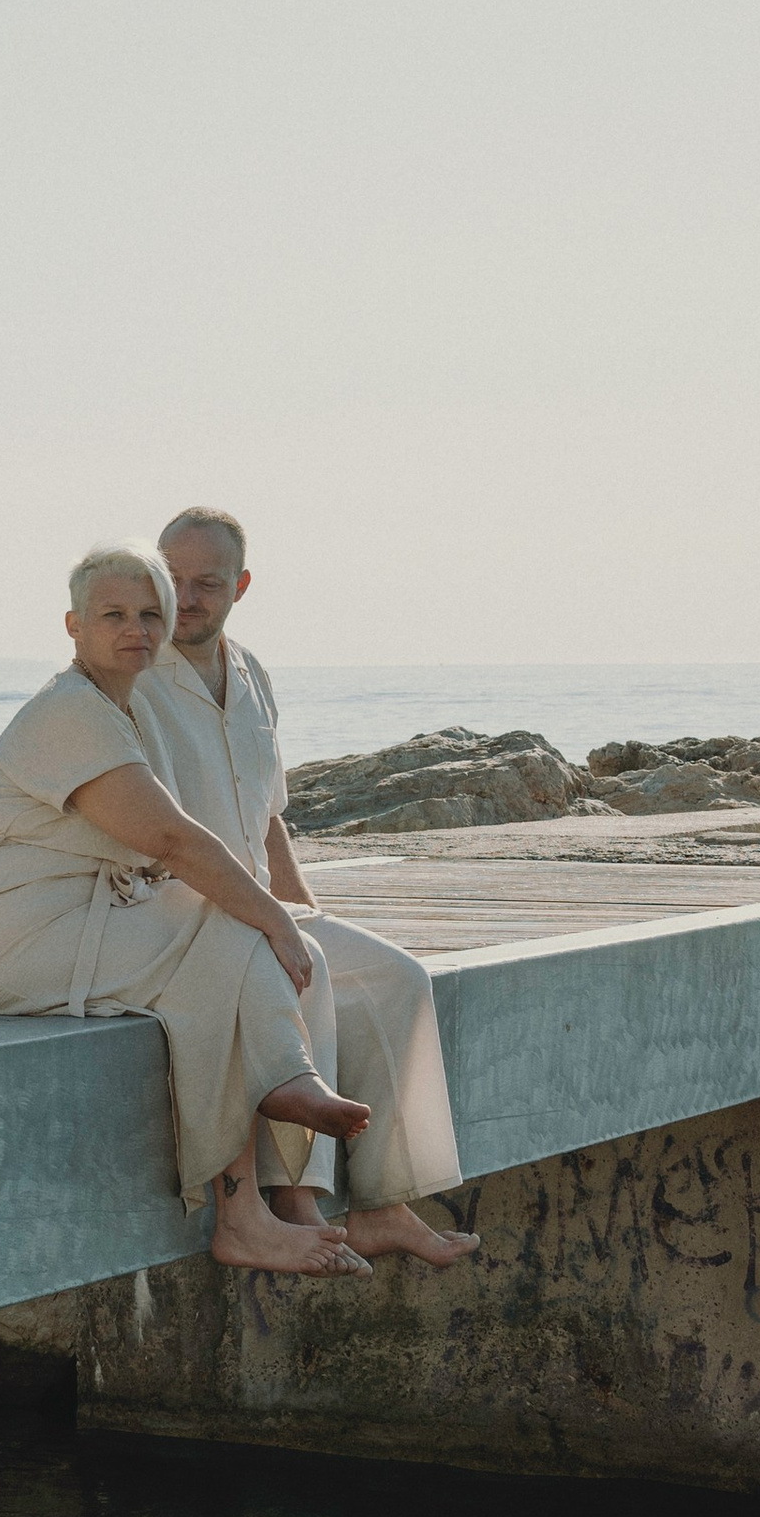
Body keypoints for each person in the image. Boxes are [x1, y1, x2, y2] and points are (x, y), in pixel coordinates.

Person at [0, 543, 377, 1277]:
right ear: (73, 625)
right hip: (17, 939)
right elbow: (171, 837)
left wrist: (273, 916)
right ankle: (278, 1099)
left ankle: (267, 1194)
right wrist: (275, 914)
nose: (136, 629)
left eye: (151, 614)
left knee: (250, 955)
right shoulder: (68, 711)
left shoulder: (123, 709)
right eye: (113, 615)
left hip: (97, 919)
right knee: (239, 934)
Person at [135, 504, 477, 1269]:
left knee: (398, 978)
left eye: (206, 583)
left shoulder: (252, 675)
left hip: (262, 905)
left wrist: (302, 910)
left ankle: (383, 1202)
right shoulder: (135, 677)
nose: (184, 597)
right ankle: (299, 1202)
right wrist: (278, 928)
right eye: (172, 577)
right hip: (184, 917)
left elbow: (268, 818)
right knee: (305, 970)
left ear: (241, 586)